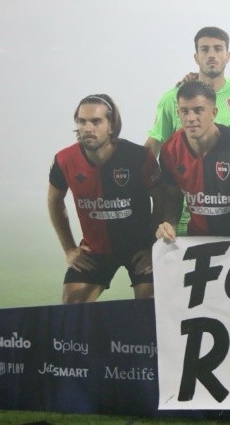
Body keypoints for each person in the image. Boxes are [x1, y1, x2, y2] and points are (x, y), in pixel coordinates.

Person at [48, 94, 162, 303]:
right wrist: (70, 249)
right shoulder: (64, 160)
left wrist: (154, 247)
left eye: (96, 121)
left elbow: (163, 200)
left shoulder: (138, 157)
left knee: (150, 305)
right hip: (95, 251)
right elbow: (54, 201)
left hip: (140, 250)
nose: (87, 128)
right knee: (72, 305)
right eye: (82, 122)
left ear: (111, 125)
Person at [156, 81, 230, 243]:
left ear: (214, 112)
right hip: (197, 239)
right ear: (178, 112)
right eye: (184, 111)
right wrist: (170, 226)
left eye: (198, 111)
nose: (190, 118)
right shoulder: (169, 150)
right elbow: (172, 198)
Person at [144, 26, 230, 156]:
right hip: (188, 176)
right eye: (204, 49)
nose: (211, 55)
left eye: (218, 49)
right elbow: (152, 147)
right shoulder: (173, 98)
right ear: (196, 57)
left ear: (227, 56)